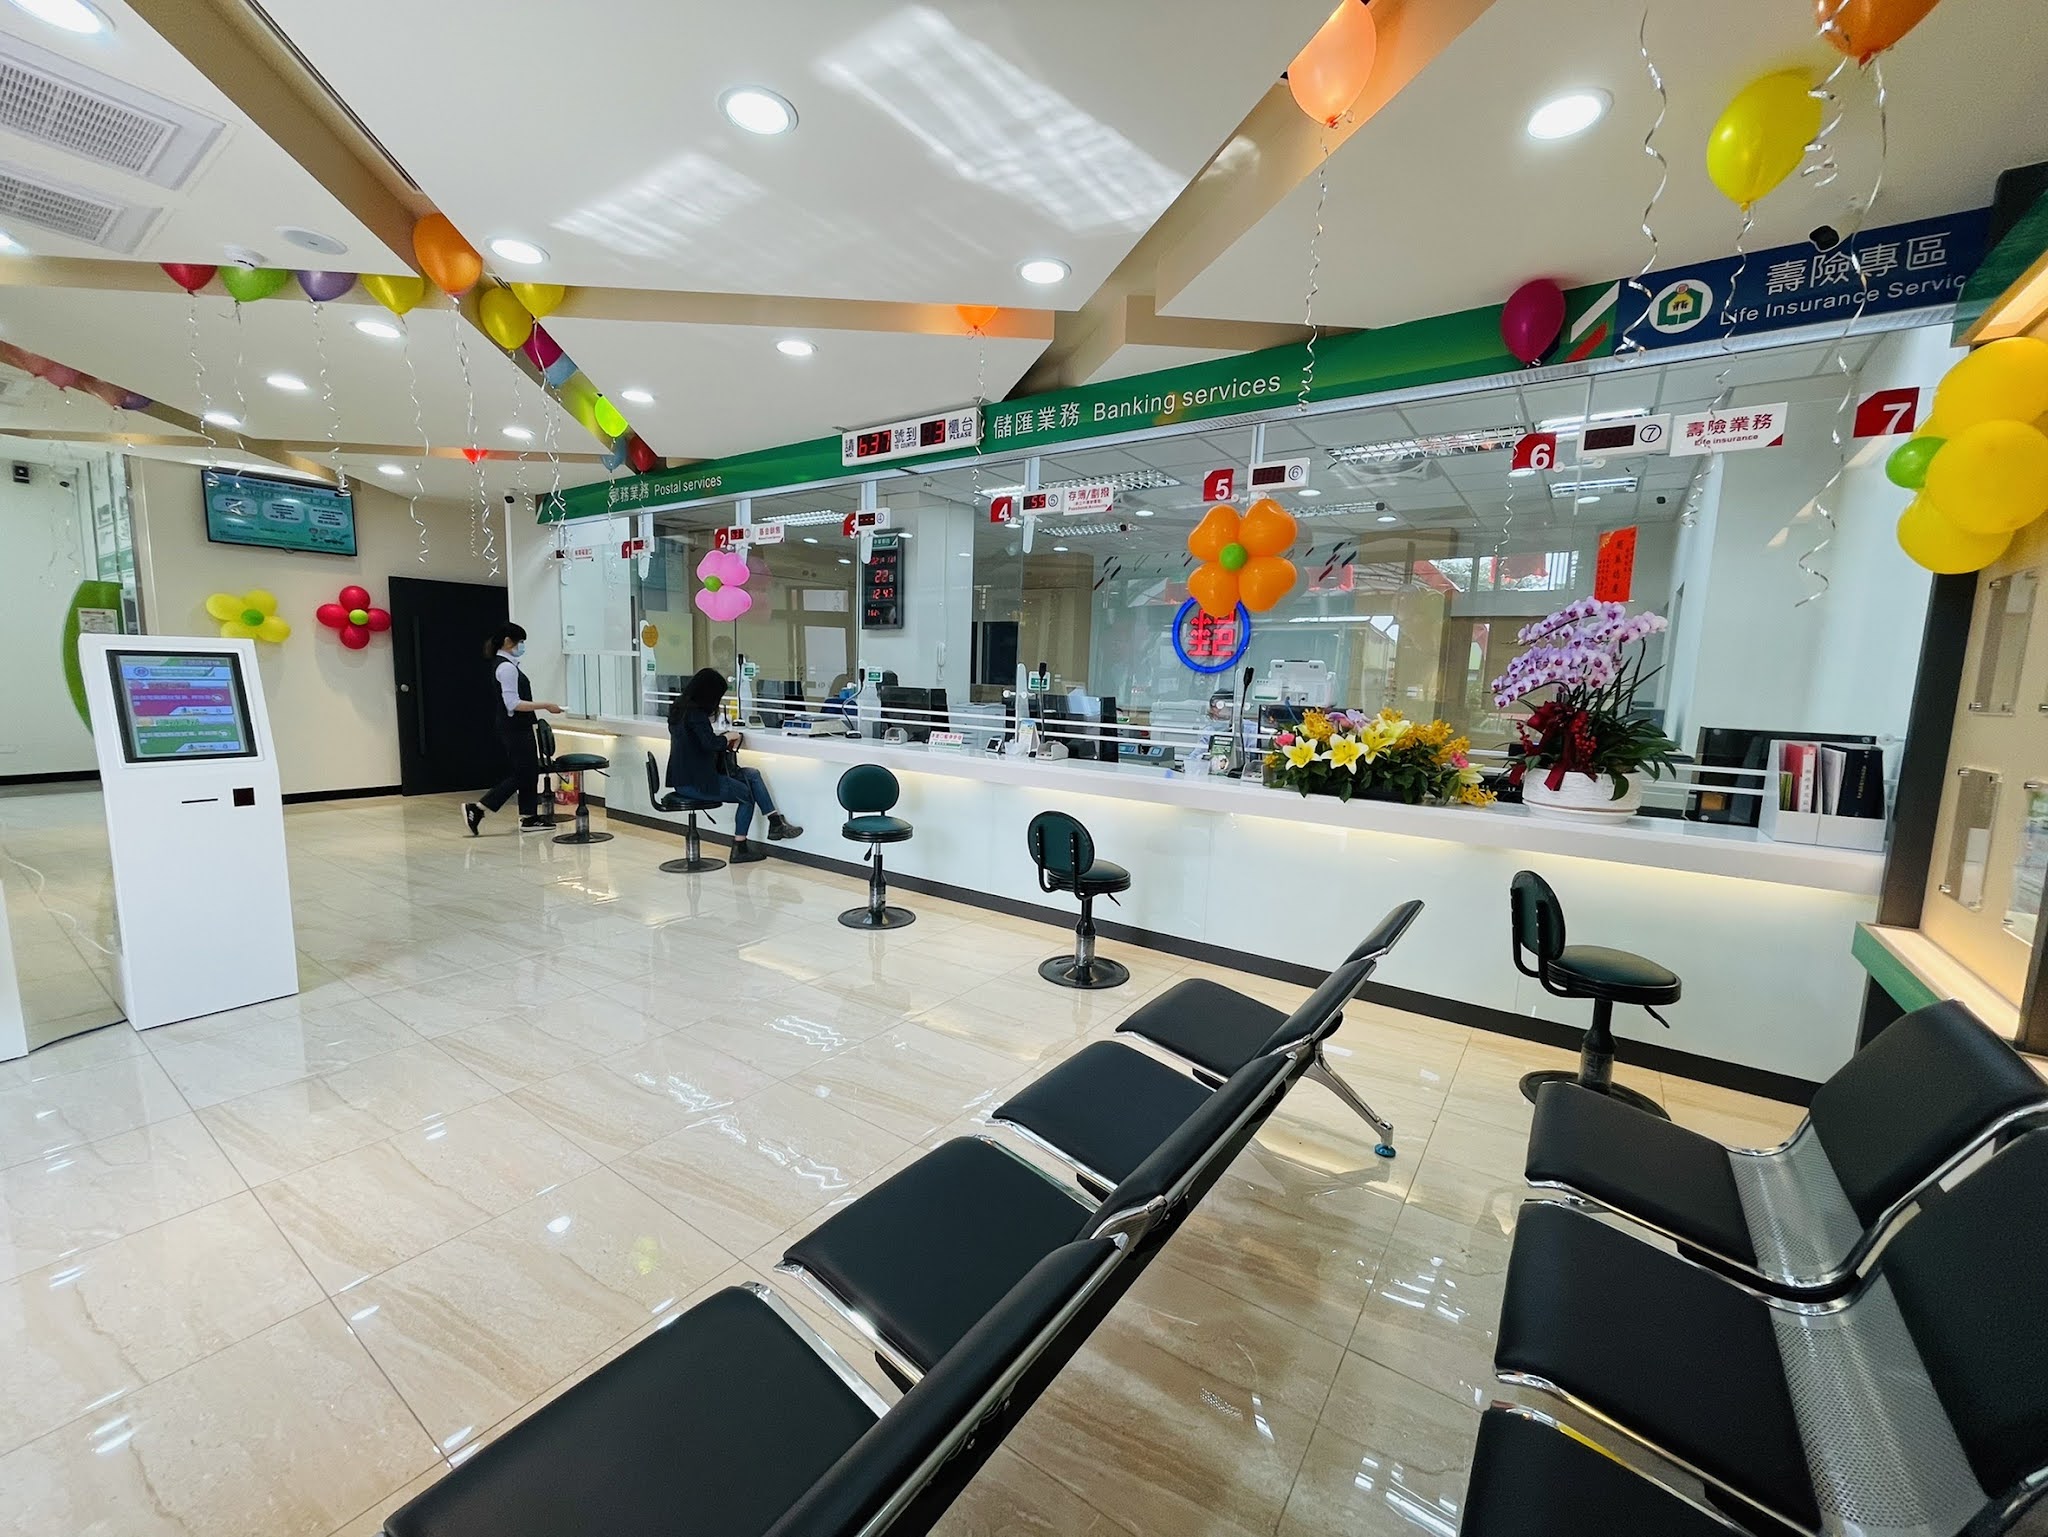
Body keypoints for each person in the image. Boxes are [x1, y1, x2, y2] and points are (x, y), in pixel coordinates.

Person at [667, 667, 800, 863]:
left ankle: (775, 823)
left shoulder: (679, 710)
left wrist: (722, 738)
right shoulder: (696, 714)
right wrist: (729, 736)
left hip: (685, 778)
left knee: (752, 774)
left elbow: (697, 742)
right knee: (745, 794)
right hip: (696, 782)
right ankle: (740, 848)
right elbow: (710, 744)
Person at [464, 623, 562, 835]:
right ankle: (479, 807)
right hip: (514, 727)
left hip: (517, 726)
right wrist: (546, 705)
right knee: (523, 773)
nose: (522, 646)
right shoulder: (506, 668)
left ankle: (528, 817)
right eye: (521, 642)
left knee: (528, 772)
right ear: (508, 641)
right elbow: (513, 703)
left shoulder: (507, 665)